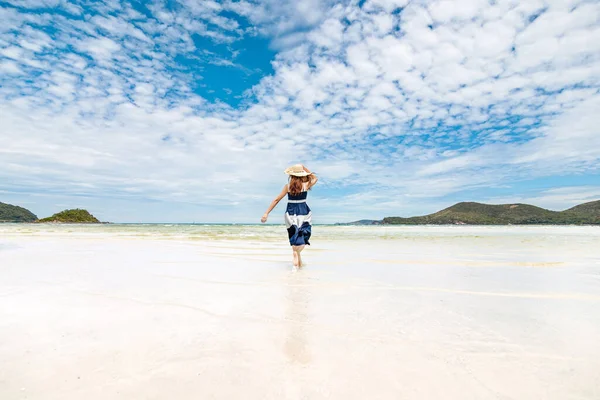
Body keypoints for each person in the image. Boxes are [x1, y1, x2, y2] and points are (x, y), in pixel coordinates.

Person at [261, 164, 318, 267]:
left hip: (290, 215)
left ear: (291, 176)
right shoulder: (306, 185)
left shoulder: (287, 187)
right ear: (301, 175)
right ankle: (296, 264)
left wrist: (266, 213)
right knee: (302, 237)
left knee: (294, 240)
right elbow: (314, 177)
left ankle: (297, 267)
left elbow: (276, 200)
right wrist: (304, 168)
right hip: (303, 213)